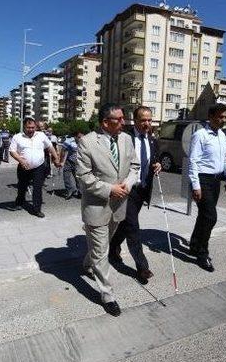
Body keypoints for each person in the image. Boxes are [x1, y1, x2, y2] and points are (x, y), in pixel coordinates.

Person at [76, 103, 140, 317]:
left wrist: (128, 184)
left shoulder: (126, 139)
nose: (124, 122)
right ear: (105, 122)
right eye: (119, 119)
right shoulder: (87, 142)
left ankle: (87, 263)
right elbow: (84, 178)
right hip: (97, 206)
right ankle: (108, 295)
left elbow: (135, 167)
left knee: (100, 247)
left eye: (124, 118)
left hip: (119, 205)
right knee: (102, 253)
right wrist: (109, 189)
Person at [109, 106, 161, 285]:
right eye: (143, 120)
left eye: (149, 120)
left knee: (125, 224)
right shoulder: (125, 139)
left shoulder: (152, 140)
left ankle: (113, 247)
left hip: (142, 190)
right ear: (135, 121)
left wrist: (157, 165)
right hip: (127, 189)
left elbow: (153, 160)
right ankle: (142, 267)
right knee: (133, 227)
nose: (147, 123)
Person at [187, 103, 226, 272]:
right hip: (202, 180)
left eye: (225, 116)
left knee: (204, 215)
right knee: (210, 217)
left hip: (216, 181)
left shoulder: (221, 135)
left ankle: (194, 244)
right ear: (211, 117)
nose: (224, 120)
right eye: (220, 117)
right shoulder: (200, 135)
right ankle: (202, 253)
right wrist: (195, 185)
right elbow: (193, 161)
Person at [9, 117, 61, 218]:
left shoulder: (41, 135)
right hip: (24, 167)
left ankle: (37, 209)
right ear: (24, 127)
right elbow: (12, 151)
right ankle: (19, 202)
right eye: (28, 127)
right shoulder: (17, 137)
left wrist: (56, 158)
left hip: (39, 167)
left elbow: (50, 146)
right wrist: (21, 160)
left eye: (33, 127)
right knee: (22, 187)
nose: (31, 129)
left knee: (38, 188)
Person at [59, 130, 85, 200]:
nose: (80, 139)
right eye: (79, 137)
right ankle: (69, 191)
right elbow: (63, 150)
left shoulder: (84, 142)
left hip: (78, 162)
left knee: (78, 178)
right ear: (75, 137)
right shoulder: (68, 141)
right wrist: (61, 161)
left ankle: (80, 192)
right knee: (66, 177)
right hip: (68, 162)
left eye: (82, 137)